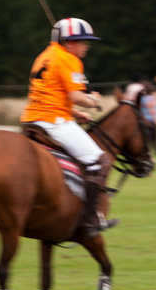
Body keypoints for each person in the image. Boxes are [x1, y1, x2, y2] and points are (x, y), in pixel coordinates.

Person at [20, 18, 114, 233]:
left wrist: (74, 112)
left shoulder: (44, 56)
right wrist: (93, 101)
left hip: (32, 119)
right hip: (54, 122)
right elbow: (75, 95)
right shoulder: (69, 59)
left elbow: (51, 94)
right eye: (83, 41)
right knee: (100, 161)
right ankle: (91, 219)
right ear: (70, 42)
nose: (87, 46)